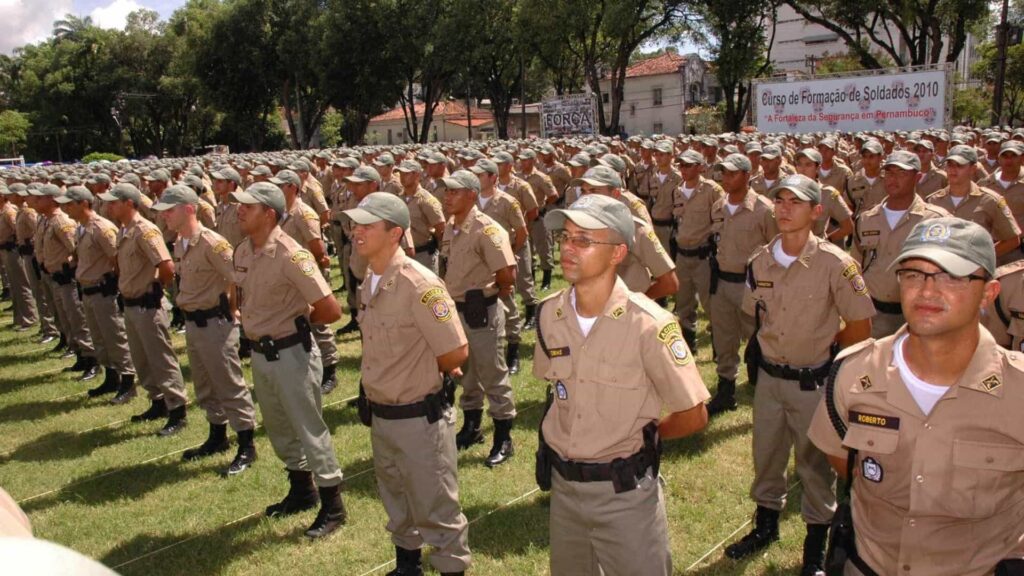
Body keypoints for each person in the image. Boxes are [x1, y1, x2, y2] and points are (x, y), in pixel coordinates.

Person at [809, 217, 1024, 576]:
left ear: (989, 293)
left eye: (951, 276)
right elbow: (843, 458)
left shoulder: (1018, 389)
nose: (926, 290)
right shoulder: (853, 374)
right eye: (912, 274)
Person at [535, 193, 710, 576]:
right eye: (565, 237)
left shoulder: (648, 325)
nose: (568, 248)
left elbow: (693, 414)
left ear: (617, 253)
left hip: (624, 494)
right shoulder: (550, 314)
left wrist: (642, 439)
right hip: (564, 489)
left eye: (584, 239)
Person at [724, 174, 875, 576]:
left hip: (814, 380)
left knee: (814, 463)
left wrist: (825, 349)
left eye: (796, 201)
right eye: (780, 200)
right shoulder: (760, 260)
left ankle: (815, 545)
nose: (785, 208)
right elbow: (753, 315)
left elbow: (860, 327)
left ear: (817, 211)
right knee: (767, 455)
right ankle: (766, 526)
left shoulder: (836, 264)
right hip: (771, 380)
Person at [343, 192, 471, 576]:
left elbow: (455, 352)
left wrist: (417, 373)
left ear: (395, 233)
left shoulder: (420, 284)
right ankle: (407, 565)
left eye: (367, 225)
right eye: (355, 224)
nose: (356, 231)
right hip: (382, 414)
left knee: (436, 505)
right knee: (396, 498)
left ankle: (452, 568)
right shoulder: (371, 279)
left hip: (418, 415)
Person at [231, 181, 347, 538]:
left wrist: (293, 322)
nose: (239, 211)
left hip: (292, 353)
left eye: (247, 207)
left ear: (268, 214)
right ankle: (302, 490)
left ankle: (333, 505)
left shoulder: (291, 254)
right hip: (262, 355)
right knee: (280, 428)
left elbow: (330, 309)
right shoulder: (244, 250)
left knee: (309, 429)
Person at [151, 185, 258, 475]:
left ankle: (247, 443)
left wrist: (235, 310)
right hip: (194, 323)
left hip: (215, 323)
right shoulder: (179, 243)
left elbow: (238, 277)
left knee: (229, 383)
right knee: (205, 383)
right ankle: (217, 435)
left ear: (189, 209)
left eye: (170, 211)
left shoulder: (211, 242)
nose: (165, 218)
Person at [440, 169, 518, 467]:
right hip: (456, 309)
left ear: (472, 195)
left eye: (454, 192)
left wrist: (484, 297)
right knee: (467, 373)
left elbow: (507, 275)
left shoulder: (487, 230)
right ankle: (472, 426)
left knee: (492, 373)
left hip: (481, 310)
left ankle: (503, 435)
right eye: (446, 191)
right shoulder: (451, 226)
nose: (447, 197)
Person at [98, 183, 189, 433]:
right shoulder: (124, 230)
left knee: (161, 358)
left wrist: (154, 287)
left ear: (129, 203)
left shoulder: (145, 231)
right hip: (130, 303)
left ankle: (177, 408)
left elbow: (167, 266)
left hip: (147, 304)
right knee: (141, 358)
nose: (109, 207)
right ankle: (157, 401)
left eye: (114, 202)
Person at [704, 154, 777, 415]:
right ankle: (726, 391)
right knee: (724, 339)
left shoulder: (764, 209)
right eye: (723, 172)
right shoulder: (719, 206)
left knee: (761, 339)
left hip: (751, 286)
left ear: (747, 175)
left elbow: (776, 249)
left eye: (732, 173)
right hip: (722, 282)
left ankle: (767, 388)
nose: (726, 178)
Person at [853, 151, 951, 338]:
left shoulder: (936, 221)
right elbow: (856, 266)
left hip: (918, 314)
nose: (893, 179)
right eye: (889, 173)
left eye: (902, 173)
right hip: (873, 313)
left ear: (918, 177)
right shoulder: (866, 219)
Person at [56, 186, 136, 398]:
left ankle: (128, 380)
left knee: (115, 336)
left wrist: (113, 283)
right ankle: (111, 377)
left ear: (84, 204)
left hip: (103, 290)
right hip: (88, 290)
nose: (66, 209)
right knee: (99, 339)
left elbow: (116, 258)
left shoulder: (101, 227)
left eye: (70, 204)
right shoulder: (81, 227)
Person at [270, 169, 340, 395]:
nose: (277, 189)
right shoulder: (281, 213)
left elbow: (317, 247)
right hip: (288, 278)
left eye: (281, 186)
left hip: (307, 275)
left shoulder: (303, 213)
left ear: (293, 187)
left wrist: (315, 271)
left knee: (318, 322)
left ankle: (330, 369)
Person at [29, 184, 98, 380]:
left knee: (77, 318)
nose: (35, 201)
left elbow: (74, 250)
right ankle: (79, 353)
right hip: (53, 276)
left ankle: (91, 358)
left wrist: (69, 268)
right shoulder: (46, 220)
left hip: (66, 278)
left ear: (51, 199)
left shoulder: (61, 221)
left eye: (39, 198)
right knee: (65, 317)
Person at [471, 159, 530, 375]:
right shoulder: (471, 201)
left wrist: (508, 255)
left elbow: (522, 232)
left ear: (493, 178)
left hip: (500, 263)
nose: (476, 178)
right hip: (477, 264)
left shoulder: (507, 202)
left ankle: (513, 350)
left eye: (480, 175)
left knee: (508, 304)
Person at [925, 146, 1021, 260]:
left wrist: (982, 260)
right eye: (950, 164)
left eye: (960, 165)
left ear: (973, 168)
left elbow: (1012, 239)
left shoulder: (990, 200)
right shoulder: (933, 200)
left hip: (974, 273)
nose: (953, 169)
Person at [671, 149, 722, 351]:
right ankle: (689, 344)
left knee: (711, 304)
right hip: (683, 255)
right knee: (683, 303)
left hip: (703, 256)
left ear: (700, 167)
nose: (683, 169)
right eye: (681, 165)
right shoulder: (677, 191)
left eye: (688, 165)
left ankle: (720, 347)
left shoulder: (712, 190)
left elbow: (721, 221)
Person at [0, 187, 37, 331]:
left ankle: (29, 317)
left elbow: (20, 231)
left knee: (21, 284)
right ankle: (20, 317)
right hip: (6, 251)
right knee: (14, 285)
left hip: (14, 251)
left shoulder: (9, 212)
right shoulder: (4, 211)